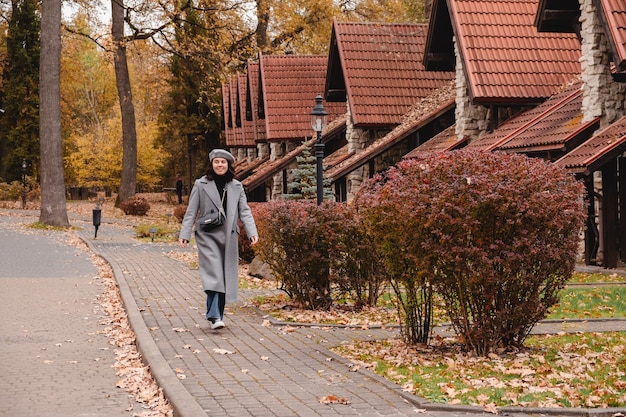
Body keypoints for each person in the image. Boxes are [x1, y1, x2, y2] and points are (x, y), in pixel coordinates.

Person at [178, 149, 259, 330]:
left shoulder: (236, 186)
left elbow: (244, 211)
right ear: (212, 164)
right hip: (207, 235)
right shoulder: (201, 184)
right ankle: (214, 315)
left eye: (223, 162)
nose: (220, 165)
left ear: (228, 165)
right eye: (217, 162)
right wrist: (184, 234)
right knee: (214, 273)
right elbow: (191, 211)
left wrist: (251, 231)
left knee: (224, 275)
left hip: (229, 236)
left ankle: (216, 315)